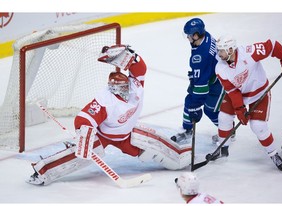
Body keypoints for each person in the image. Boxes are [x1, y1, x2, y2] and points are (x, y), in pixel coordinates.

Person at [26, 44, 192, 185]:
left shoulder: (135, 86)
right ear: (114, 88)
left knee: (150, 147)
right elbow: (85, 118)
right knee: (84, 154)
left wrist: (131, 57)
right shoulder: (105, 99)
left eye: (125, 85)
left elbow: (141, 69)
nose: (125, 89)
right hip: (104, 135)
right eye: (121, 87)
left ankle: (183, 156)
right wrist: (85, 133)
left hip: (126, 134)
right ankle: (42, 172)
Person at [214, 34, 282, 171]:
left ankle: (273, 154)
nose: (219, 54)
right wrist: (239, 108)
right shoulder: (220, 68)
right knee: (223, 117)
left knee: (258, 126)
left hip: (259, 93)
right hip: (238, 94)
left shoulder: (248, 53)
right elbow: (232, 90)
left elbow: (271, 45)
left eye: (221, 50)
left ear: (230, 50)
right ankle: (222, 149)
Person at [170, 18, 226, 145]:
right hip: (210, 75)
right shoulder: (206, 37)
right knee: (189, 101)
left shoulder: (201, 56)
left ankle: (228, 131)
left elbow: (202, 87)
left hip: (220, 81)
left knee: (210, 109)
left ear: (196, 35)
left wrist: (195, 106)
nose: (188, 39)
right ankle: (187, 130)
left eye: (189, 36)